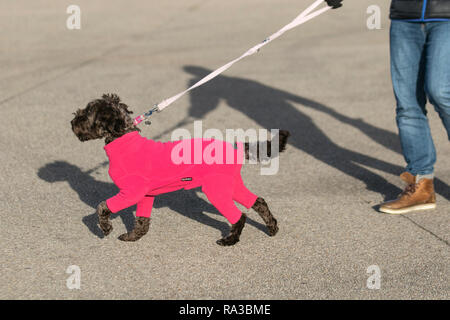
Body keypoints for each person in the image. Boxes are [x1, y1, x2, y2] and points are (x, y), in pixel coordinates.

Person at [380, 0, 450, 214]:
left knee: (440, 91)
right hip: (405, 17)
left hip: (446, 16)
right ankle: (422, 184)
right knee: (407, 104)